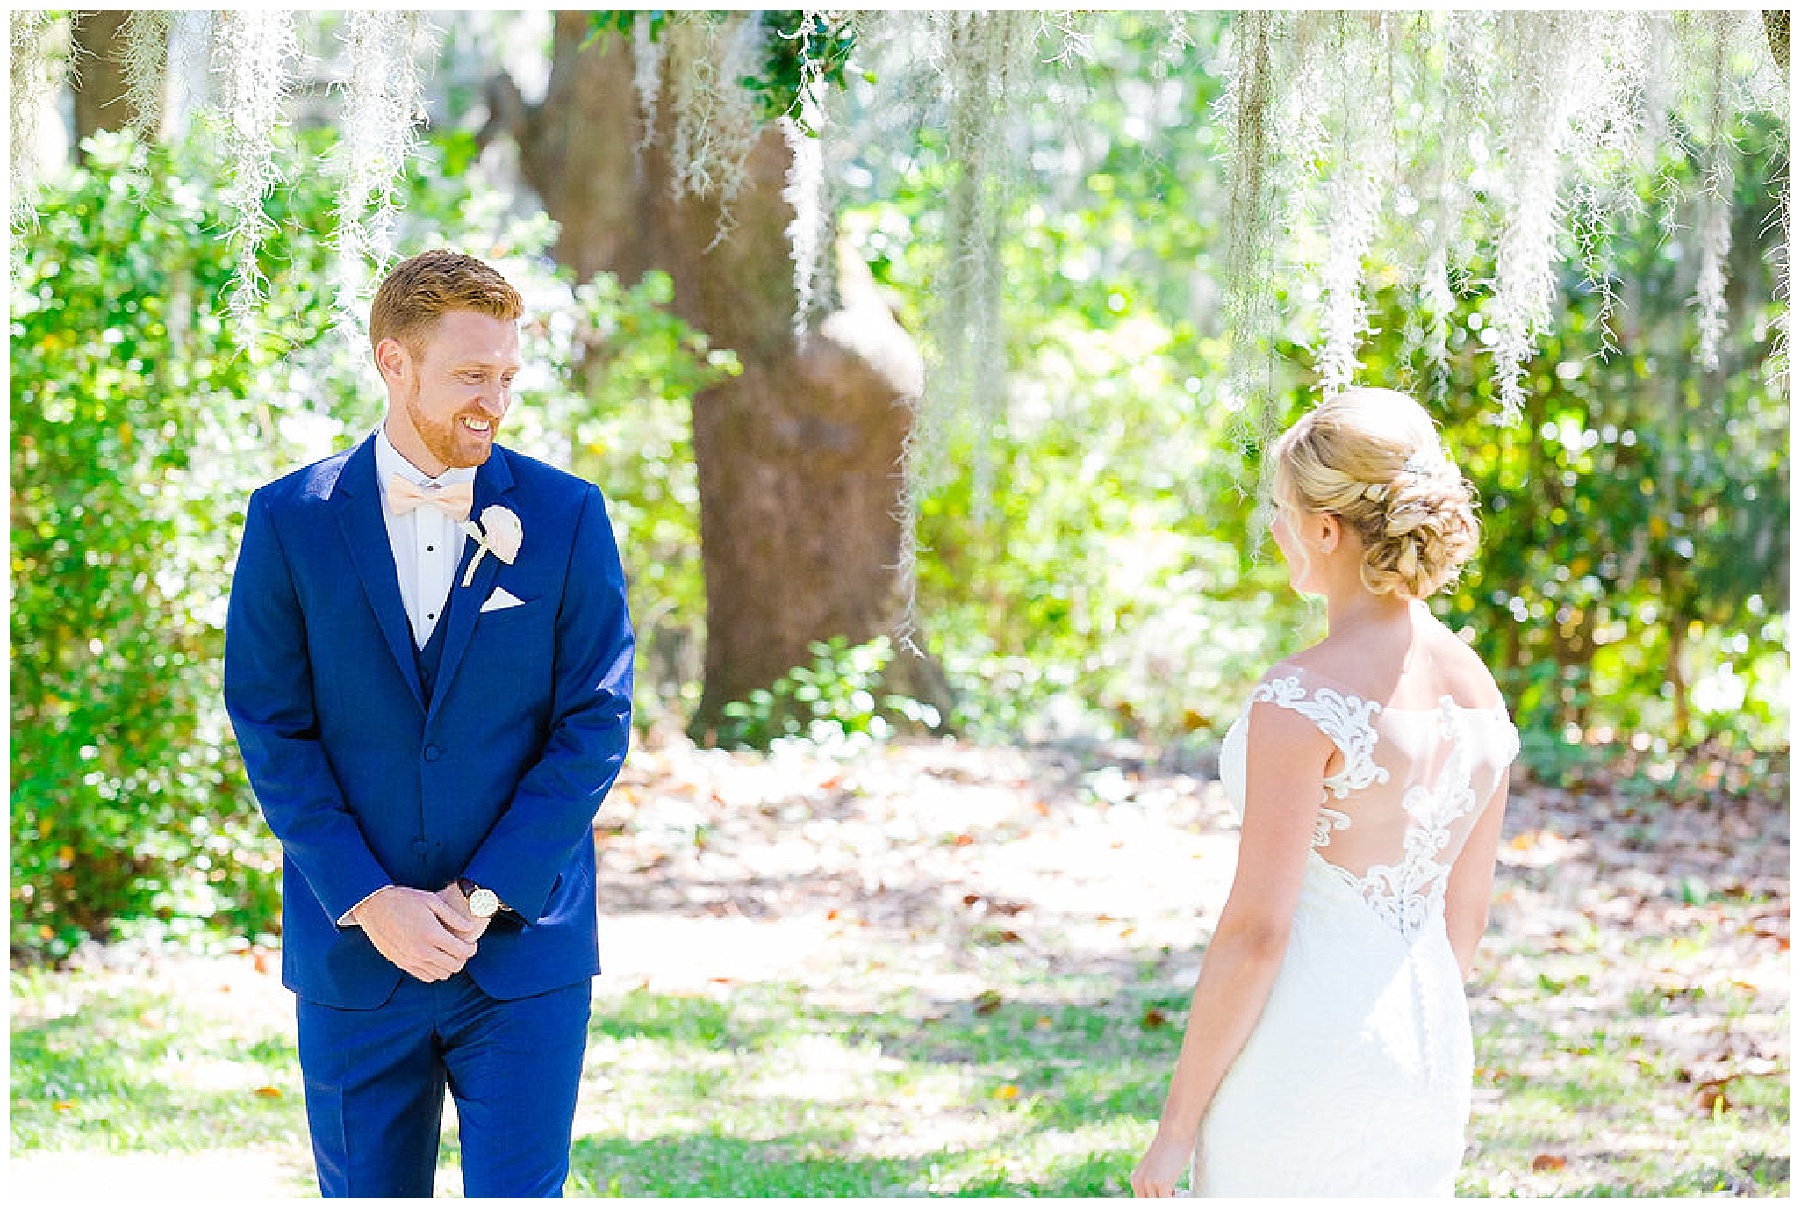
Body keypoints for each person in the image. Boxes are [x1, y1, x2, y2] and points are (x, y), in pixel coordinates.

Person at [224, 248, 634, 1197]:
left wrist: (483, 895)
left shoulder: (567, 515)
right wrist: (372, 900)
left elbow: (595, 722)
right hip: (353, 961)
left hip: (523, 953)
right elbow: (271, 728)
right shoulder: (289, 519)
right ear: (392, 363)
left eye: (504, 377)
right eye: (468, 376)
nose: (492, 401)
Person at [1131, 387, 1519, 1197]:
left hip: (1302, 1040)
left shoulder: (1300, 697)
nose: (1273, 527)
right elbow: (1466, 913)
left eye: (1280, 508)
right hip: (1427, 1041)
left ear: (1325, 529)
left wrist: (1175, 1128)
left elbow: (1258, 933)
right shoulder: (1478, 689)